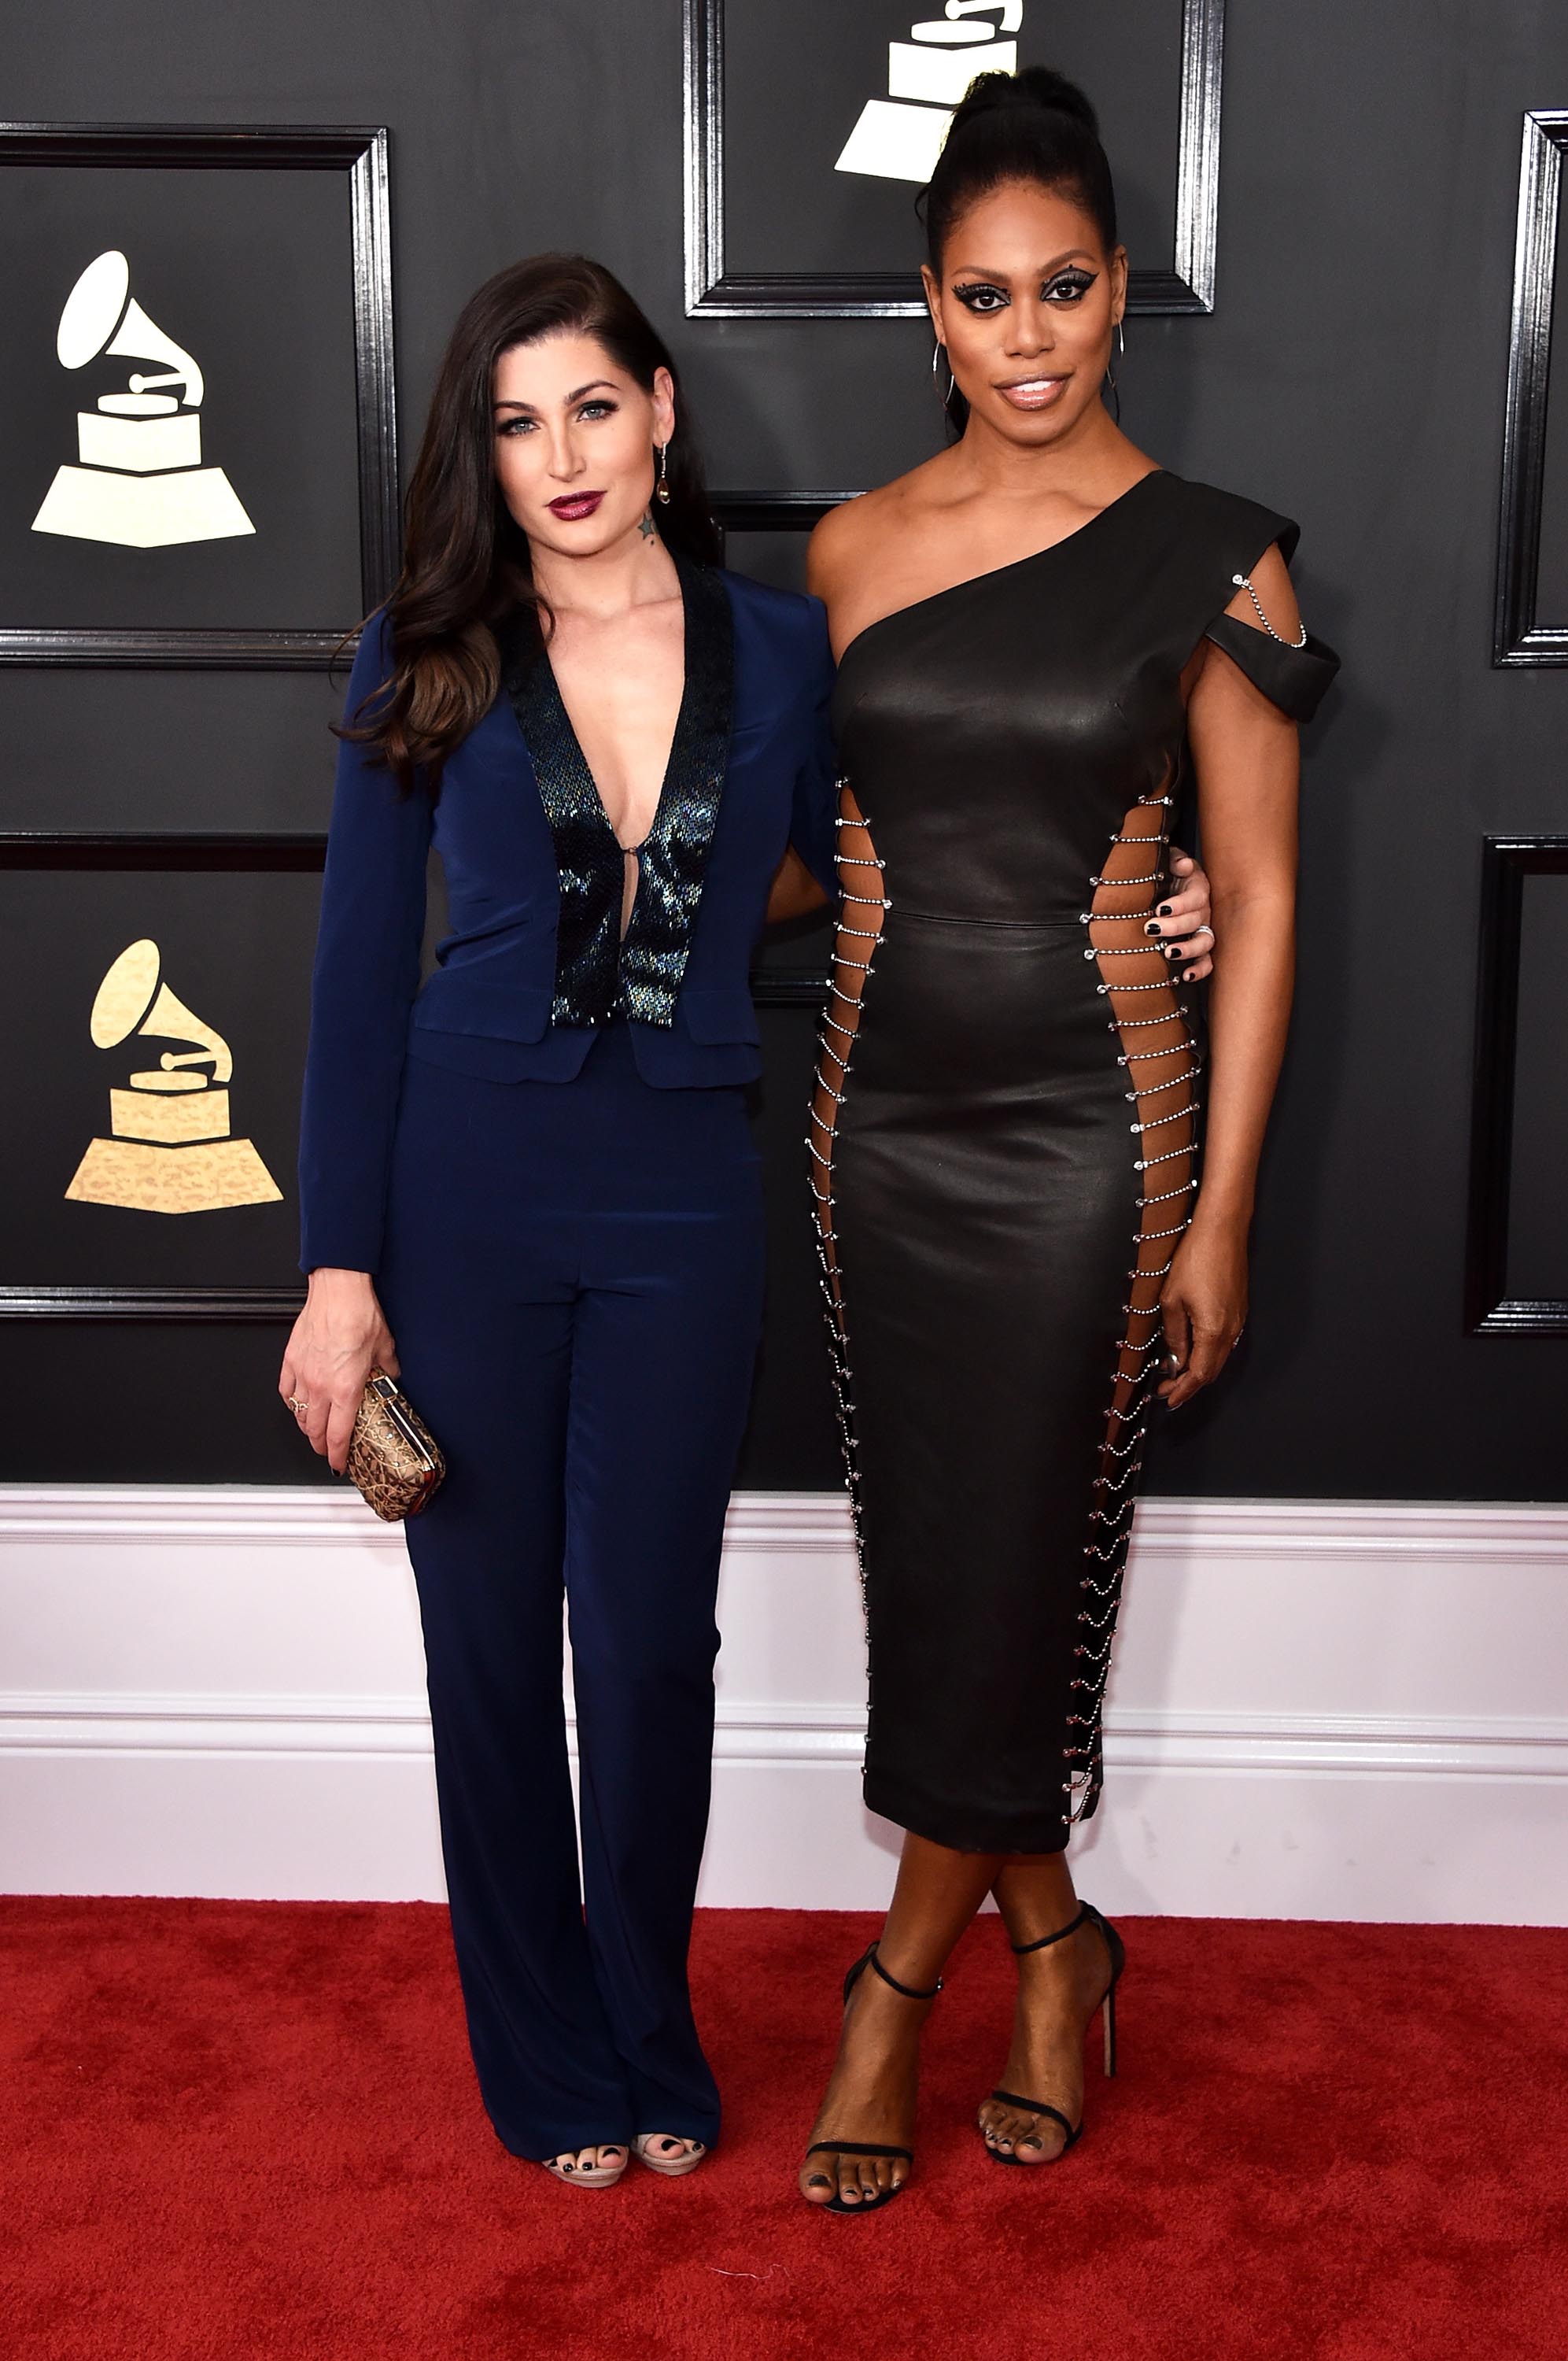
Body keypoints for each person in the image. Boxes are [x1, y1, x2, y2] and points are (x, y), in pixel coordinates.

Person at [796, 67, 1339, 2213]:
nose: (1026, 339)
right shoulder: (844, 552)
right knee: (940, 1571)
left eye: (1067, 290)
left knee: (1022, 1558)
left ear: (1126, 295)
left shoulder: (1226, 558)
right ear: (927, 313)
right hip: (875, 1131)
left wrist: (1222, 1221)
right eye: (981, 297)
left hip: (1092, 1137)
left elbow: (1268, 894)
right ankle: (1059, 1942)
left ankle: (893, 1990)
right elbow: (791, 857)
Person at [279, 253, 844, 2189]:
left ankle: (646, 2019)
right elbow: (360, 976)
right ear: (486, 455)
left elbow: (851, 868)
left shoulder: (784, 649)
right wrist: (336, 1272)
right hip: (467, 1186)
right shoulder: (421, 648)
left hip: (687, 1187)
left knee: (650, 1645)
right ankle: (536, 2048)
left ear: (663, 410)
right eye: (515, 424)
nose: (560, 456)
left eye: (592, 407)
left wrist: (1154, 898)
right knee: (488, 1639)